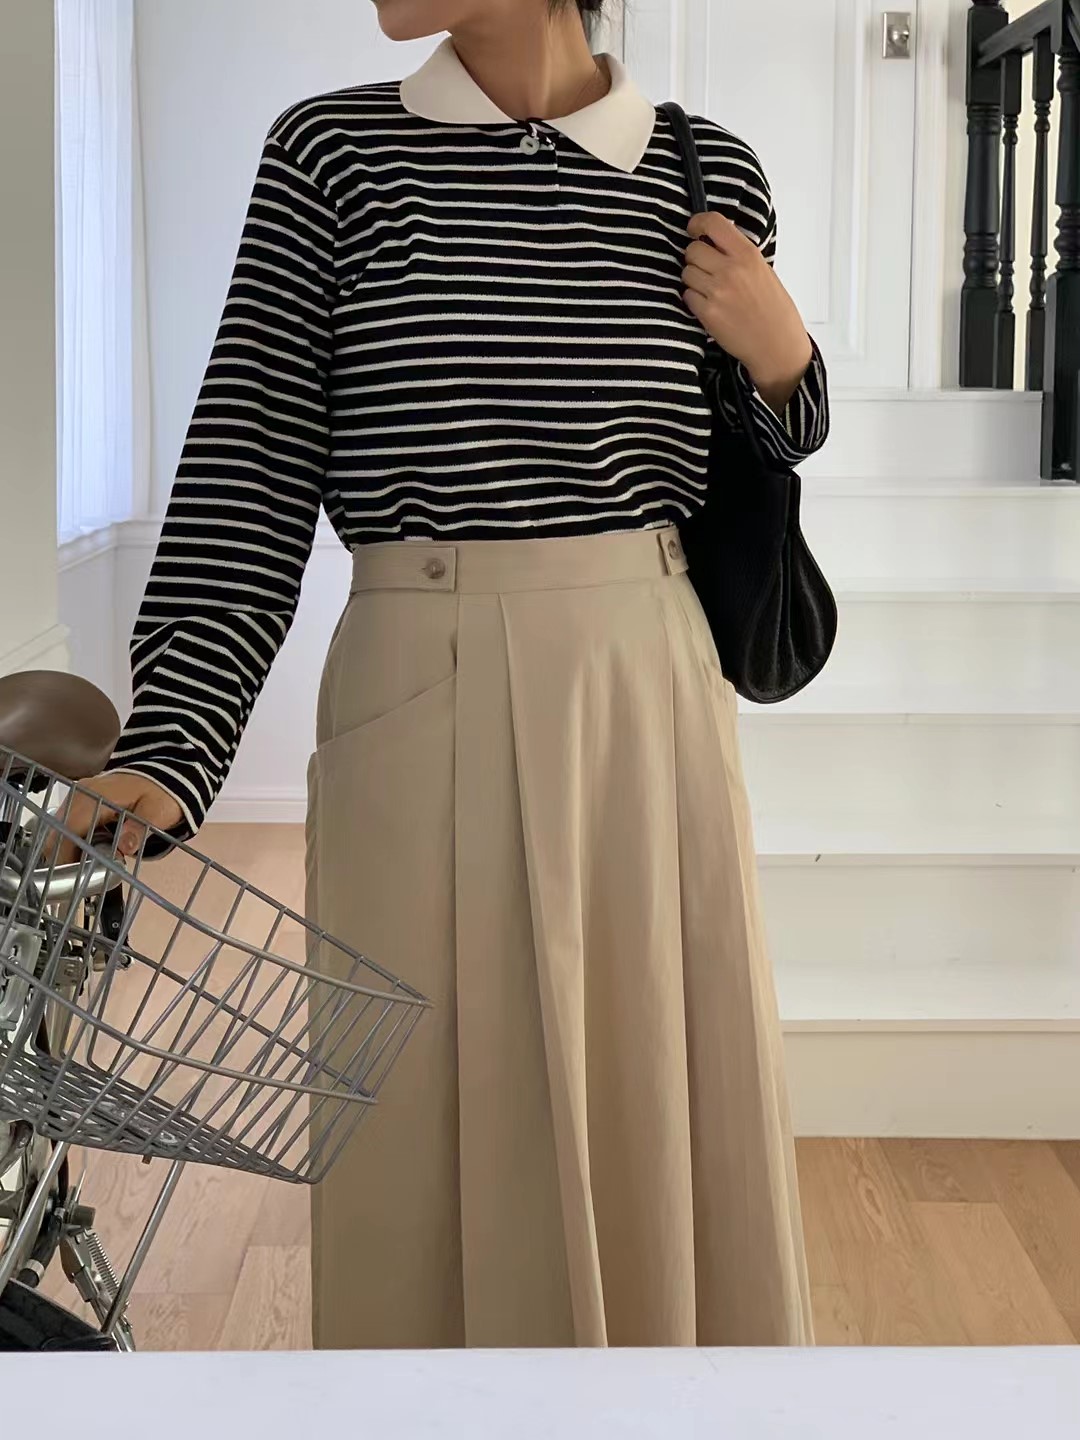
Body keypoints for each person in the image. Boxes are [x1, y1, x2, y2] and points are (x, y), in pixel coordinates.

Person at [67, 0, 830, 1349]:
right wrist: (175, 737)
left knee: (652, 1106)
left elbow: (747, 462)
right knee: (417, 1146)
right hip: (417, 688)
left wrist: (789, 363)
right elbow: (251, 460)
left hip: (643, 698)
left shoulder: (705, 167)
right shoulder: (332, 156)